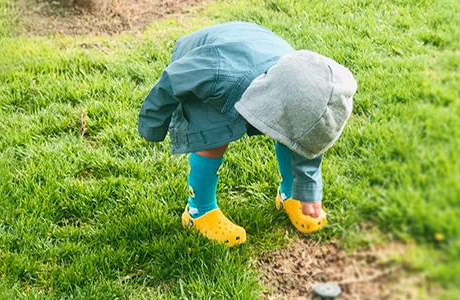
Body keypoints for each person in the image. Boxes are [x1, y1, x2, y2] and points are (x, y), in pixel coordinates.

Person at [138, 22, 357, 247]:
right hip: (203, 55)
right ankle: (198, 212)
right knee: (213, 135)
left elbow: (303, 138)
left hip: (256, 47)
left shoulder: (299, 85)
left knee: (293, 131)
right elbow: (175, 78)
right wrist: (152, 126)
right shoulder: (217, 73)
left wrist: (307, 188)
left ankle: (288, 194)